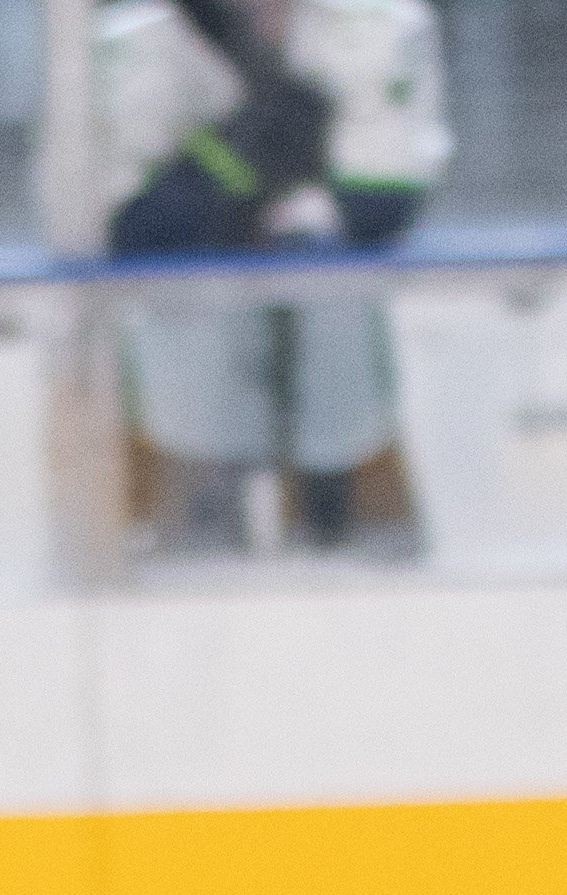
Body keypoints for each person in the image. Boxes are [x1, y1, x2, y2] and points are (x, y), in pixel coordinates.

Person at [95, 0, 449, 562]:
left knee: (328, 293)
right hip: (185, 383)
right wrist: (235, 153)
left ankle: (343, 515)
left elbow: (384, 201)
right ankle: (198, 519)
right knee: (196, 304)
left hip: (346, 384)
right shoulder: (137, 35)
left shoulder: (382, 23)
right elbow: (125, 226)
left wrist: (262, 195)